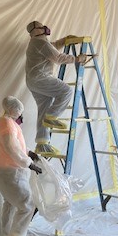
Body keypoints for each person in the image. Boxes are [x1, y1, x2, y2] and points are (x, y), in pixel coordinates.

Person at [25, 21, 87, 156]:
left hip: (33, 81)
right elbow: (58, 58)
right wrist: (77, 59)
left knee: (44, 108)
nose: (45, 28)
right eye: (42, 26)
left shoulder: (38, 43)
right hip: (40, 78)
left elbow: (52, 47)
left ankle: (42, 144)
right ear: (37, 30)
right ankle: (52, 115)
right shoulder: (40, 43)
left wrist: (65, 40)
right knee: (66, 91)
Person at [0, 96, 41, 236]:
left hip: (7, 172)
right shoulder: (6, 123)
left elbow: (16, 145)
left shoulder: (5, 122)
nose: (22, 117)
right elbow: (12, 148)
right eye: (20, 113)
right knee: (27, 204)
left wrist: (29, 153)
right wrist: (28, 163)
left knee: (11, 203)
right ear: (15, 111)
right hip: (10, 173)